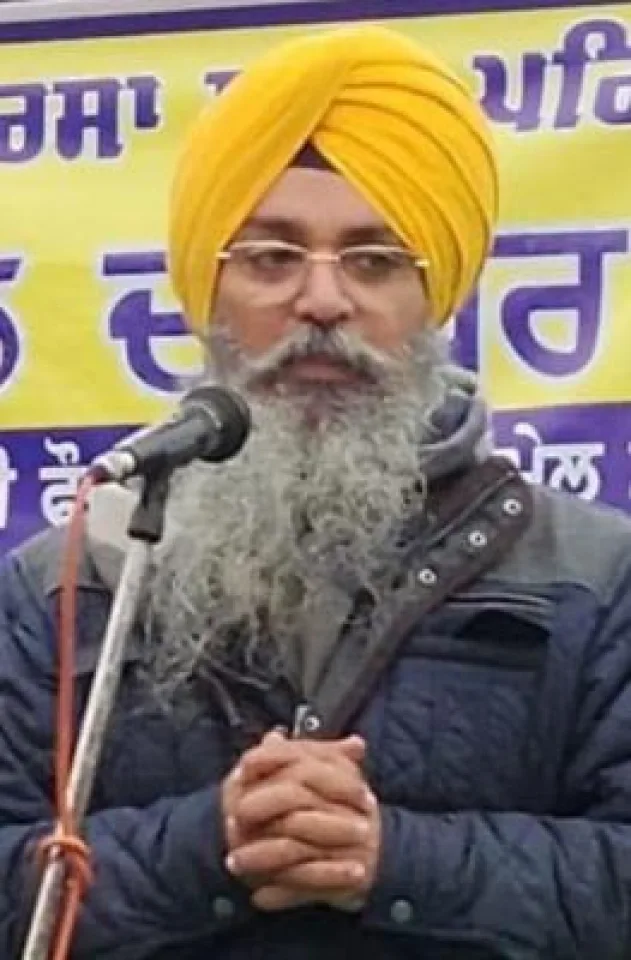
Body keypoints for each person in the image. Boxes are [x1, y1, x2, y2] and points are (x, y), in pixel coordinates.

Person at [1, 23, 631, 960]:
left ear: (435, 299)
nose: (324, 301)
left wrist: (397, 860)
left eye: (375, 261)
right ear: (209, 292)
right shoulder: (73, 579)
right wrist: (208, 847)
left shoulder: (594, 576)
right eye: (272, 258)